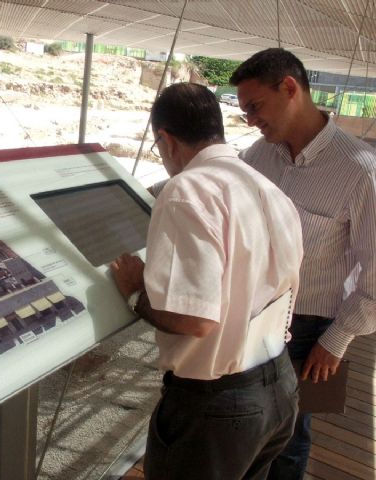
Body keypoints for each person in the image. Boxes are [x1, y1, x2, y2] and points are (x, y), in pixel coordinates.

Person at [110, 82, 303, 480]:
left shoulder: (186, 191)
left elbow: (194, 320)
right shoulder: (268, 188)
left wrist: (134, 291)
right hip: (279, 386)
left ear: (165, 138)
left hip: (218, 408)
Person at [230, 48, 376, 480]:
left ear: (289, 88)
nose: (251, 120)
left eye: (255, 106)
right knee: (245, 425)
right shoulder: (258, 156)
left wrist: (338, 338)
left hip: (307, 325)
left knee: (290, 438)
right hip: (250, 315)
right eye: (245, 112)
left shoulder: (360, 171)